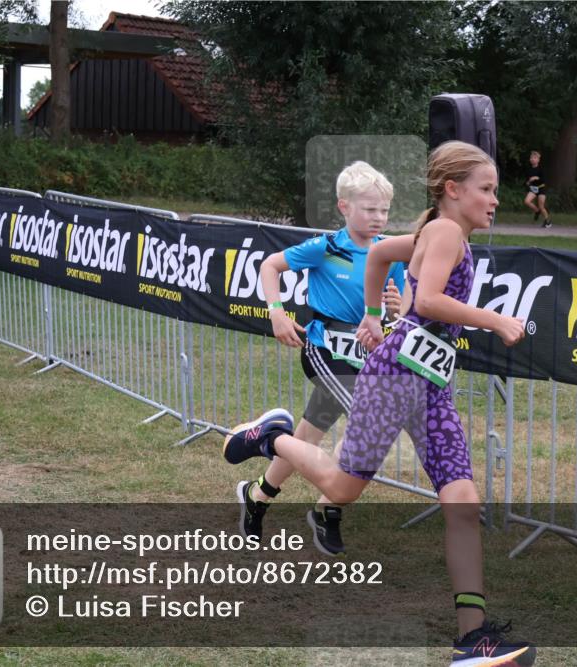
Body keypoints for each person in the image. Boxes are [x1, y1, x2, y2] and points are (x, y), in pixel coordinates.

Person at [223, 141, 535, 666]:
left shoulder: (432, 232)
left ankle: (473, 639)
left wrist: (372, 314)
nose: (495, 200)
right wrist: (496, 320)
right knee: (343, 486)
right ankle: (269, 438)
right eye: (486, 189)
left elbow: (381, 255)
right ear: (453, 190)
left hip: (430, 383)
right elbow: (429, 300)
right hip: (393, 375)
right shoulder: (444, 231)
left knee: (462, 501)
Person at [236, 161, 406, 556]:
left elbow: (399, 307)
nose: (378, 218)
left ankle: (257, 495)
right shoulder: (327, 247)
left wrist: (397, 307)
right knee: (368, 419)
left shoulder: (390, 252)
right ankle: (329, 509)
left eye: (384, 210)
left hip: (364, 356)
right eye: (370, 209)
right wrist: (277, 313)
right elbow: (270, 266)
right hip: (324, 349)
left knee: (306, 438)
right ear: (344, 207)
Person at [523, 150, 551, 228]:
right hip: (533, 189)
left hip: (541, 188)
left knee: (541, 206)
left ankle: (547, 222)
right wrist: (528, 182)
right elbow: (527, 180)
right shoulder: (528, 169)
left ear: (538, 160)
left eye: (535, 158)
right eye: (531, 158)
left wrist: (536, 178)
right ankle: (537, 211)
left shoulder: (541, 169)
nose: (532, 159)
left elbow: (544, 180)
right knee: (526, 201)